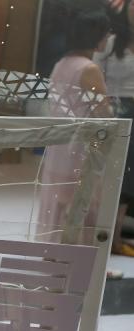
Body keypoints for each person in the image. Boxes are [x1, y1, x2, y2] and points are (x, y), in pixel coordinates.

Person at [38, 2, 113, 257]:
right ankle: (80, 263)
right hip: (80, 151)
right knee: (83, 207)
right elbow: (104, 114)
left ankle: (54, 257)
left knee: (57, 209)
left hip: (59, 148)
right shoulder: (89, 69)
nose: (108, 38)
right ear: (97, 36)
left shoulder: (62, 63)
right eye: (106, 33)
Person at [97, 0, 134, 259]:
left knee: (129, 180)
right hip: (114, 113)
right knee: (110, 176)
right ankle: (103, 235)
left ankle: (116, 236)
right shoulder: (111, 43)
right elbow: (93, 74)